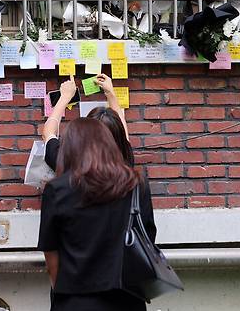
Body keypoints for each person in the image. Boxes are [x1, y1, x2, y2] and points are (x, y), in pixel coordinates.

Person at [38, 118, 153, 311]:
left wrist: (63, 291)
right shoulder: (135, 184)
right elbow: (148, 236)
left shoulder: (57, 190)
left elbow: (51, 252)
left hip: (76, 299)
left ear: (70, 148)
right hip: (127, 298)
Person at [41, 74, 156, 240]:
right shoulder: (124, 161)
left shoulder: (66, 162)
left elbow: (48, 133)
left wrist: (65, 97)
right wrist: (111, 94)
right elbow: (121, 132)